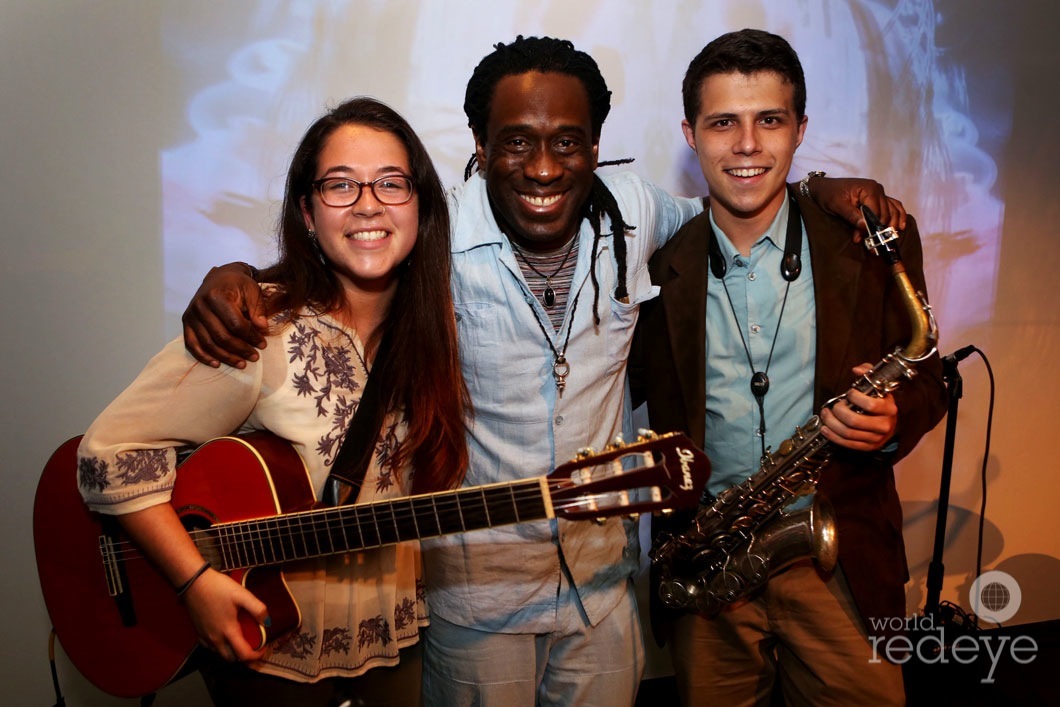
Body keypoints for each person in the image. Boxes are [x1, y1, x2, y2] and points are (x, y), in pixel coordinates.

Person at [180, 36, 908, 706]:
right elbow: (341, 261)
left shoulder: (638, 212)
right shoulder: (432, 237)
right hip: (477, 602)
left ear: (595, 148)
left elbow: (737, 197)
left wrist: (824, 190)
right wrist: (240, 275)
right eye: (517, 142)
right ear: (480, 145)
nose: (543, 167)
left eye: (567, 142)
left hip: (602, 593)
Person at [77, 97, 470, 707]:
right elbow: (107, 452)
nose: (368, 203)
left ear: (421, 206)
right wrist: (194, 581)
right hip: (267, 654)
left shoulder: (431, 333)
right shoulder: (256, 326)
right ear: (307, 214)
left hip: (395, 644)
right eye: (340, 185)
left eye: (392, 183)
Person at [630, 29, 947, 705]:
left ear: (800, 129)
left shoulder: (870, 242)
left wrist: (896, 418)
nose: (747, 145)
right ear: (690, 134)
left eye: (769, 119)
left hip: (837, 562)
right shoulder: (655, 268)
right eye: (724, 123)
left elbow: (931, 372)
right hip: (712, 568)